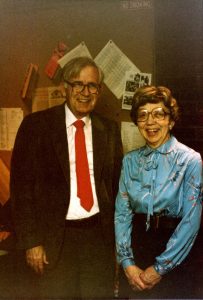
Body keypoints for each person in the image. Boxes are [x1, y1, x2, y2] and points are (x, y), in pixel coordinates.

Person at [10, 56, 123, 299]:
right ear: (65, 87)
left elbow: (115, 190)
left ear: (99, 91)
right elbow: (21, 190)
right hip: (54, 241)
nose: (85, 92)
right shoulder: (35, 126)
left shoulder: (110, 129)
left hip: (98, 240)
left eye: (92, 85)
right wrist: (31, 242)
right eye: (77, 84)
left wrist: (117, 245)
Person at [115, 85, 203, 299]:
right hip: (138, 249)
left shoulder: (190, 160)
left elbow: (191, 222)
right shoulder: (129, 161)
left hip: (176, 251)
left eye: (158, 114)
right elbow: (122, 214)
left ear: (171, 120)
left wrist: (160, 268)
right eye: (143, 115)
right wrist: (127, 264)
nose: (150, 122)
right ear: (137, 122)